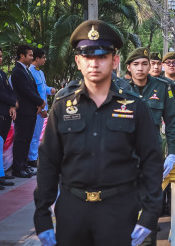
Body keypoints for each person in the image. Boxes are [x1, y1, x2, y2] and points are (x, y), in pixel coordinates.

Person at [33, 20, 163, 246]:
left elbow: (152, 161)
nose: (94, 63)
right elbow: (48, 162)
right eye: (87, 56)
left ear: (115, 61)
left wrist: (151, 214)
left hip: (119, 210)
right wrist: (42, 214)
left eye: (101, 56)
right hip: (72, 211)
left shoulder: (134, 107)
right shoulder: (63, 107)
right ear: (78, 61)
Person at [125, 48, 175, 213]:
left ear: (150, 66)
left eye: (144, 64)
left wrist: (172, 153)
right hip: (125, 149)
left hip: (152, 148)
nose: (140, 68)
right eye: (136, 64)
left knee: (150, 196)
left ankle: (148, 228)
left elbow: (172, 121)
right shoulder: (120, 89)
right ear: (129, 67)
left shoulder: (163, 87)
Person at [11, 45, 45, 178]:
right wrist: (39, 102)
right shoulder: (17, 71)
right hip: (23, 111)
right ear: (22, 56)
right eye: (30, 55)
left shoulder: (27, 70)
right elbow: (26, 90)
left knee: (27, 139)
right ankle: (18, 168)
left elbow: (34, 88)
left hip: (31, 110)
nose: (32, 57)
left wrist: (39, 104)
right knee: (21, 140)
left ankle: (24, 165)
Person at [28, 48, 56, 168]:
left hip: (42, 107)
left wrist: (51, 90)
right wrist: (42, 108)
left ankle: (34, 156)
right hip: (37, 108)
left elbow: (43, 88)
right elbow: (32, 92)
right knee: (34, 134)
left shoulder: (40, 72)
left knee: (38, 133)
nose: (45, 59)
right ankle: (31, 158)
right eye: (43, 57)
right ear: (37, 58)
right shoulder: (30, 72)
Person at [0, 44, 17, 186]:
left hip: (5, 114)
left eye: (0, 56)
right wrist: (12, 101)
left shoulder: (1, 73)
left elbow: (10, 90)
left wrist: (12, 104)